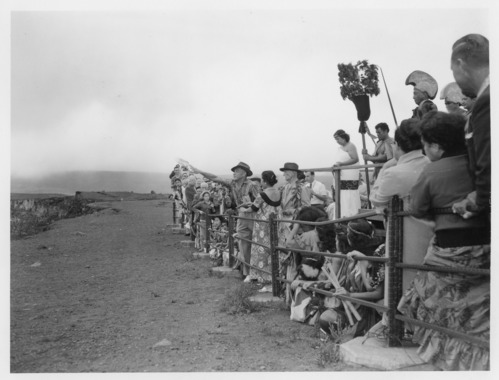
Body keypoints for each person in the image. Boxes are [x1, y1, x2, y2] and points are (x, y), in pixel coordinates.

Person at [397, 111, 489, 370]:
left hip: (448, 247)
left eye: (425, 144)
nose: (424, 150)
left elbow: (416, 208)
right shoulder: (478, 164)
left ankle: (446, 354)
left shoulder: (432, 170)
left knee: (421, 295)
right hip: (485, 246)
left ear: (437, 146)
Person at [189, 161, 259, 279]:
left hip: (253, 216)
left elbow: (259, 200)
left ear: (244, 173)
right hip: (241, 216)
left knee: (256, 243)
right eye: (234, 171)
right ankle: (248, 273)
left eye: (237, 171)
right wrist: (199, 171)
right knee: (243, 244)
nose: (234, 173)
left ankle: (258, 272)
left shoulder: (252, 185)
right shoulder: (232, 184)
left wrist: (249, 205)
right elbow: (216, 178)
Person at [450, 34, 490, 222]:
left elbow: (488, 161)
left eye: (453, 71)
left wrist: (479, 202)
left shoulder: (487, 101)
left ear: (461, 65)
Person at [369, 118, 430, 213]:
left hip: (407, 224)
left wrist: (384, 169)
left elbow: (376, 200)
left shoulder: (393, 173)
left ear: (397, 144)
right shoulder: (431, 164)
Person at [238, 171, 281, 287]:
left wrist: (242, 210)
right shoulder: (278, 192)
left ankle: (262, 277)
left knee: (261, 251)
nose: (261, 183)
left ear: (265, 181)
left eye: (262, 180)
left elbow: (252, 209)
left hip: (262, 226)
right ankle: (274, 275)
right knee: (273, 249)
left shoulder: (262, 194)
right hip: (275, 224)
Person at [278, 162, 312, 303]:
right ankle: (286, 294)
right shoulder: (285, 187)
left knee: (293, 258)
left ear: (293, 172)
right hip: (283, 226)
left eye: (286, 171)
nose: (284, 173)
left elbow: (306, 208)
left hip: (294, 227)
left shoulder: (302, 188)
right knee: (284, 258)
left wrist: (290, 212)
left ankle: (293, 296)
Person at [332, 129, 361, 218]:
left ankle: (350, 216)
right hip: (341, 174)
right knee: (341, 195)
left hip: (349, 174)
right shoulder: (340, 148)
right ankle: (340, 216)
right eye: (335, 139)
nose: (337, 141)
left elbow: (355, 159)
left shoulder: (350, 146)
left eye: (338, 139)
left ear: (344, 137)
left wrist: (341, 164)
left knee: (349, 194)